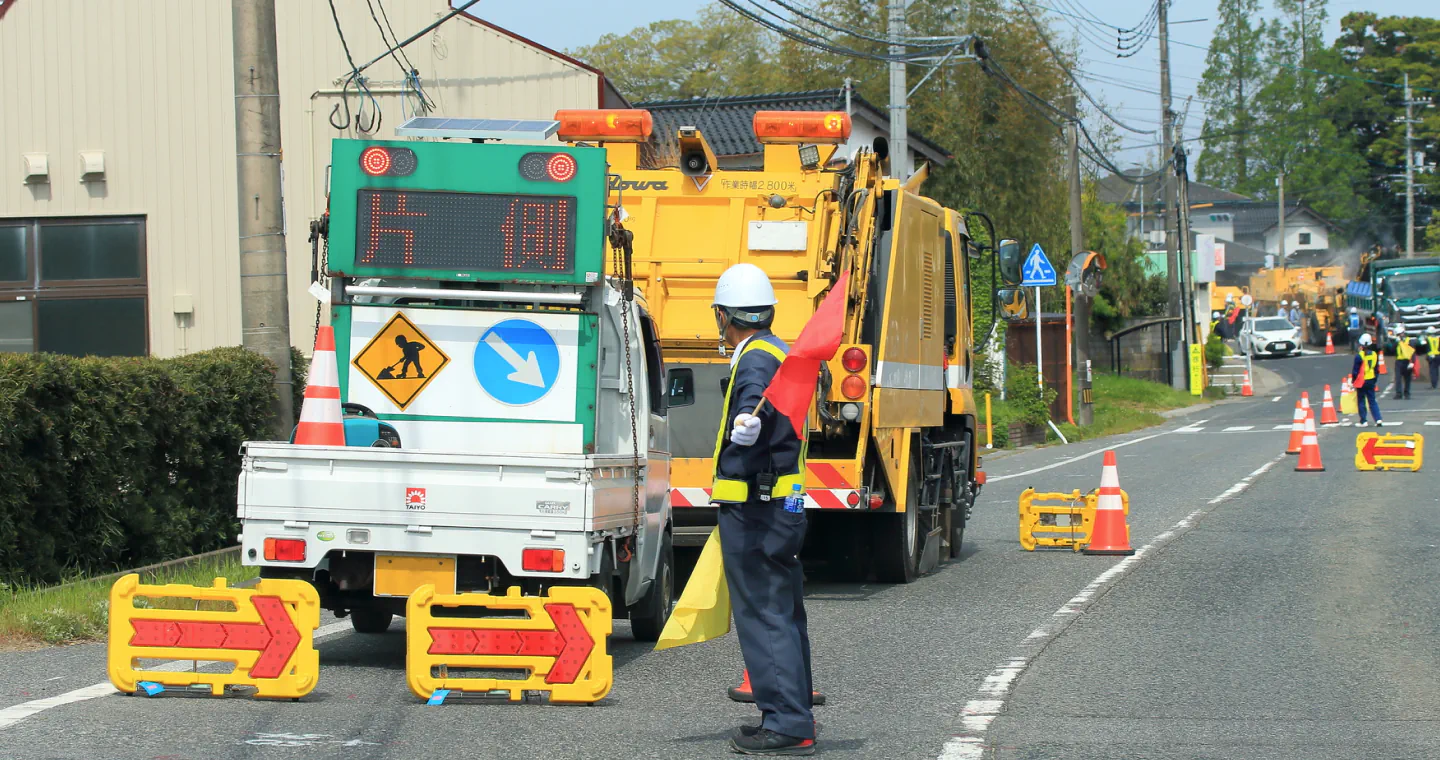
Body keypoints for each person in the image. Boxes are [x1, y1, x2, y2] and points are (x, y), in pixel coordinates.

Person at [708, 263, 816, 756]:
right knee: (783, 612)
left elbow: (756, 408)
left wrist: (743, 442)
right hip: (781, 502)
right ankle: (787, 712)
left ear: (726, 316)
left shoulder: (753, 360)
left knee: (765, 613)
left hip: (757, 508)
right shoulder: (779, 349)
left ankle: (788, 723)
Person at [1352, 333, 1384, 426]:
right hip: (1371, 379)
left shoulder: (1359, 356)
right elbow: (1376, 369)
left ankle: (1363, 420)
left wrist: (1353, 381)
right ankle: (1378, 419)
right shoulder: (1374, 354)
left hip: (1361, 381)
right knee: (1372, 401)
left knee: (1361, 400)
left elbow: (1355, 371)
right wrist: (1375, 380)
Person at [1393, 324, 1419, 400]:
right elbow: (1392, 350)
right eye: (1398, 334)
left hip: (1407, 361)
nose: (1399, 336)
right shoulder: (1396, 342)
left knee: (1407, 379)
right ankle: (1398, 394)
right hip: (1399, 361)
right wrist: (1395, 343)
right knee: (1398, 378)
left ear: (1403, 333)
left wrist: (1412, 362)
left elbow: (1413, 352)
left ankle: (1407, 393)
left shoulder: (1409, 341)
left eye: (1400, 334)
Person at [1427, 326, 1440, 390]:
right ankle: (1436, 384)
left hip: (1431, 356)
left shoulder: (1428, 339)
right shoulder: (1438, 338)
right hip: (1438, 355)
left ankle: (1433, 385)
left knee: (1432, 371)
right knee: (1437, 371)